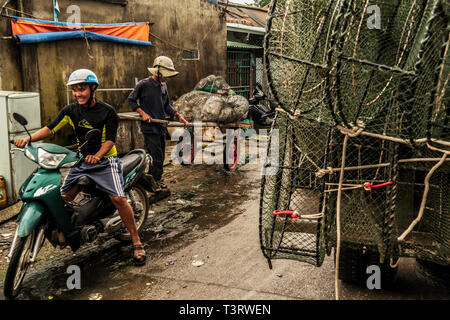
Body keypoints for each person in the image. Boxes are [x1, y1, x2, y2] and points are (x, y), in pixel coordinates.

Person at [14, 69, 146, 266]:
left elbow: (110, 140)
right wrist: (27, 139)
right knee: (62, 198)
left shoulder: (107, 111)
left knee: (118, 198)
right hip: (82, 161)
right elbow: (50, 129)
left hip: (105, 162)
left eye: (82, 89)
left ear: (93, 88)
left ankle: (136, 240)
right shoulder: (70, 111)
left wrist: (98, 156)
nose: (78, 94)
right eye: (74, 90)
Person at [128, 56, 189, 192]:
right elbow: (131, 100)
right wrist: (143, 113)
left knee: (160, 157)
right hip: (149, 127)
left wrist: (179, 116)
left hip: (161, 126)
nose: (167, 78)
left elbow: (166, 105)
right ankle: (152, 181)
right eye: (165, 75)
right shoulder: (143, 85)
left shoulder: (163, 86)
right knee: (156, 156)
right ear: (158, 72)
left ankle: (156, 179)